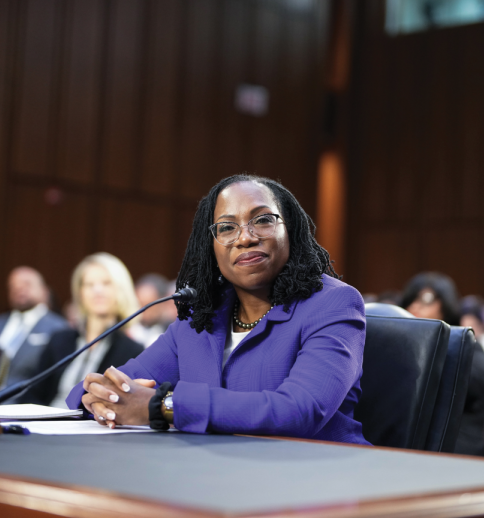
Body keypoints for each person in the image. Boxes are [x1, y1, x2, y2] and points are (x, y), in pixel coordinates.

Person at [68, 175, 368, 444]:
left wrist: (163, 406)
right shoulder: (201, 317)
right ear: (209, 246)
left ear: (290, 229)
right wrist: (99, 395)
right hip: (214, 477)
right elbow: (102, 390)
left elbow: (299, 411)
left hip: (314, 482)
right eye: (226, 227)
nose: (245, 237)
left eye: (263, 220)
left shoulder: (333, 304)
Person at [29, 253, 145, 408]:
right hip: (45, 424)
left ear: (120, 290)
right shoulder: (59, 340)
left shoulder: (132, 350)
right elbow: (33, 393)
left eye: (106, 283)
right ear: (80, 293)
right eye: (89, 284)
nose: (97, 290)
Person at [401, 272, 484, 456]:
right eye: (411, 300)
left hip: (454, 447)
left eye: (426, 300)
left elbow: (473, 389)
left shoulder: (465, 344)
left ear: (446, 305)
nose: (415, 306)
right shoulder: (401, 346)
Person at [0, 267, 71, 395]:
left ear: (44, 290)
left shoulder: (59, 328)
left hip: (28, 403)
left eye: (26, 283)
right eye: (13, 286)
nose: (19, 288)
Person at [127, 273, 174, 348]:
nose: (143, 313)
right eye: (139, 304)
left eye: (148, 306)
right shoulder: (126, 331)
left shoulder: (173, 333)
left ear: (163, 303)